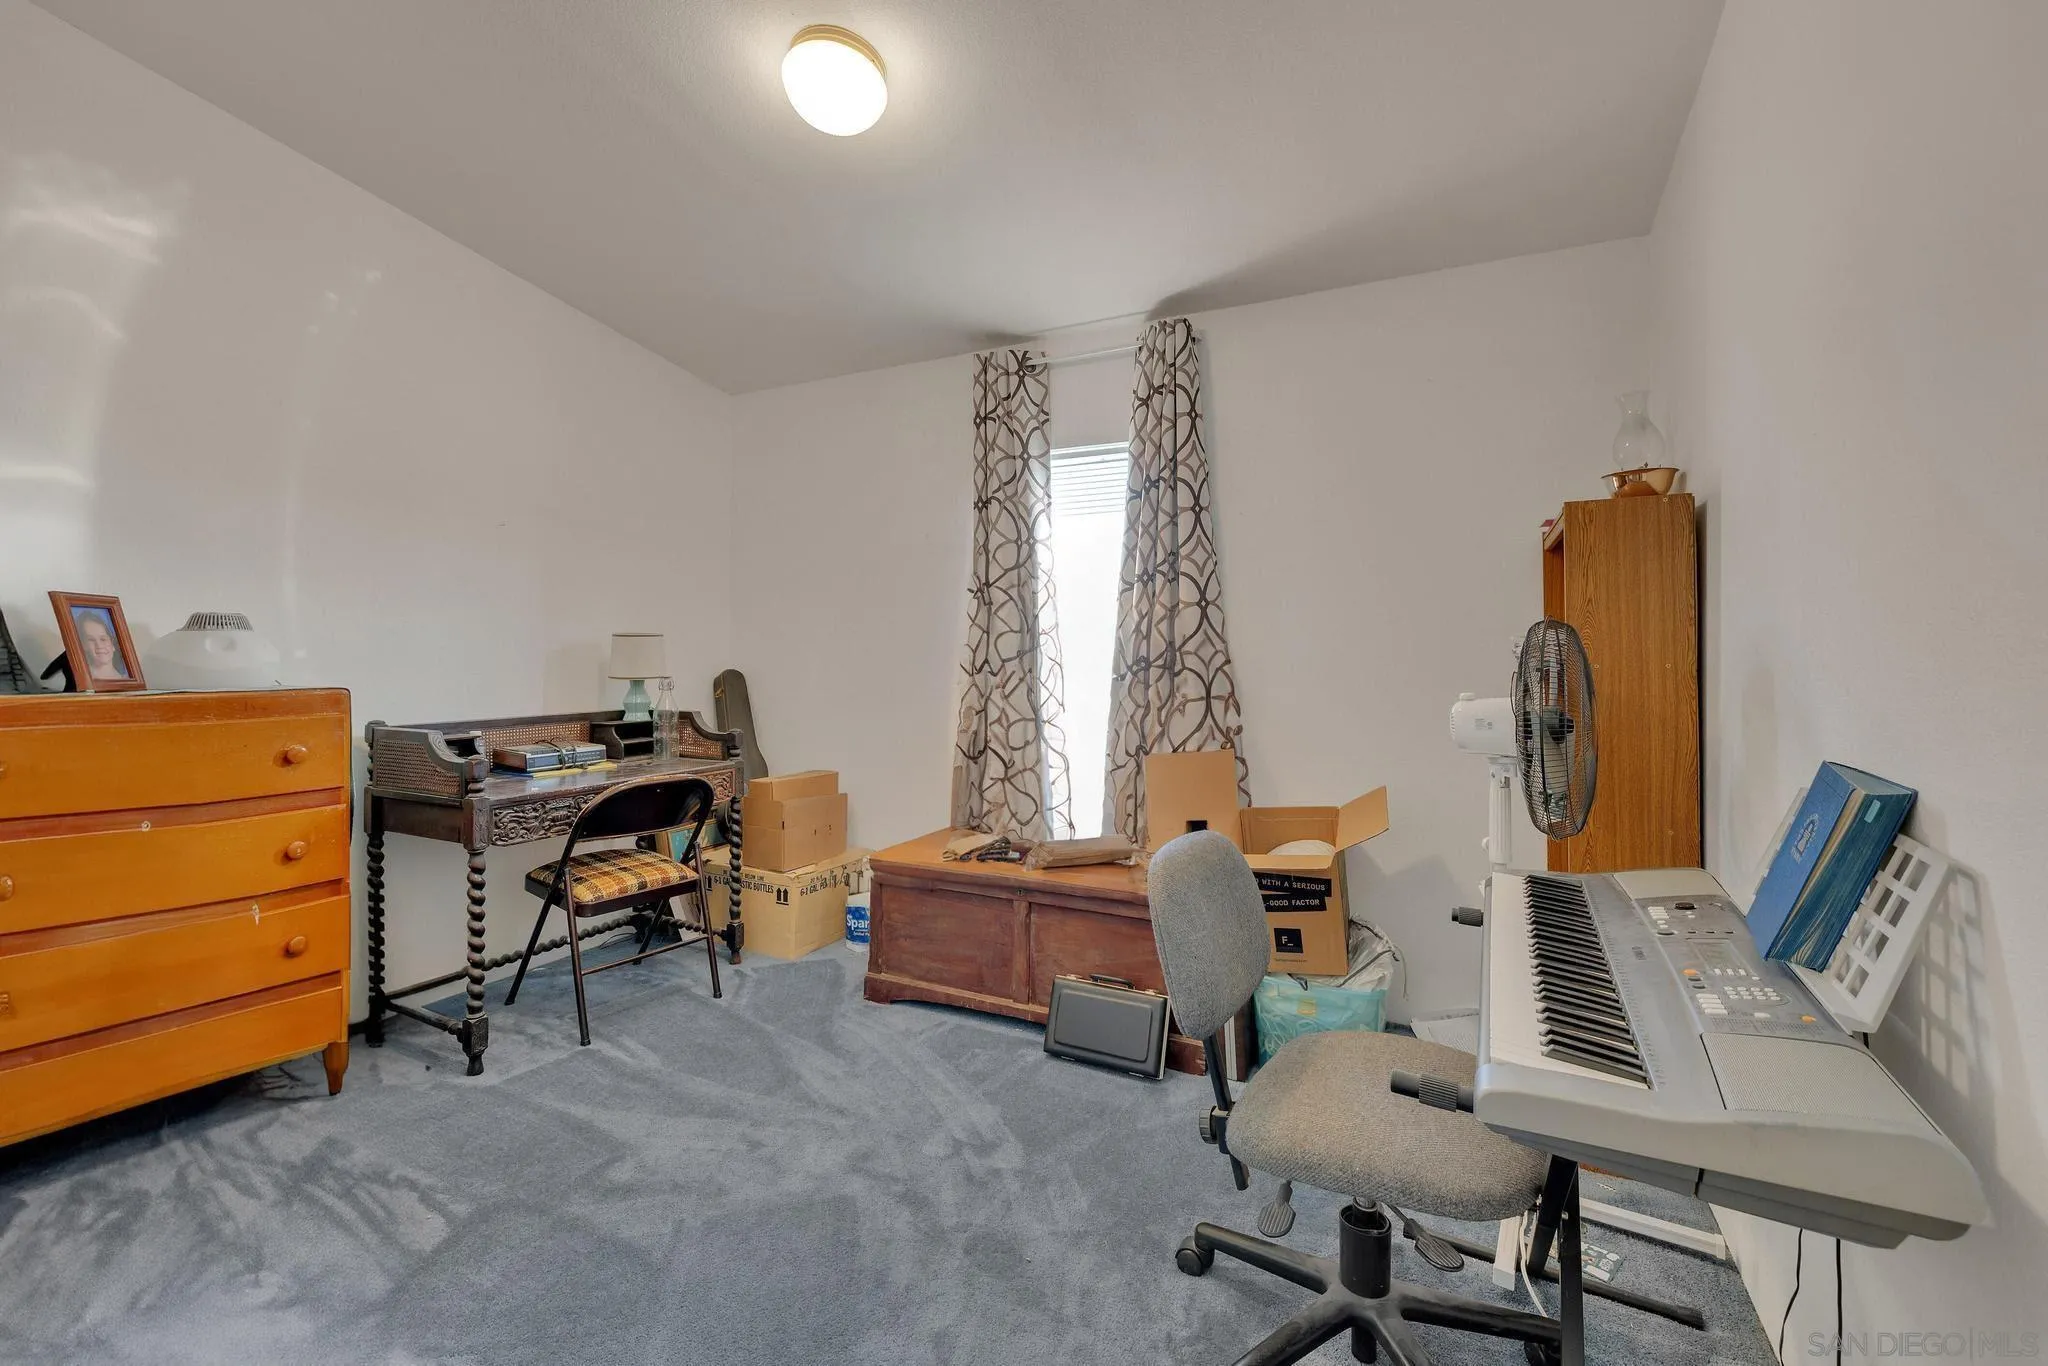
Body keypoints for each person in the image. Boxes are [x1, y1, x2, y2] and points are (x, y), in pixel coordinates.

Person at [75, 610, 129, 681]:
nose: (99, 645)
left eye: (103, 639)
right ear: (84, 646)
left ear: (112, 644)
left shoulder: (127, 679)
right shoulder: (81, 679)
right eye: (91, 640)